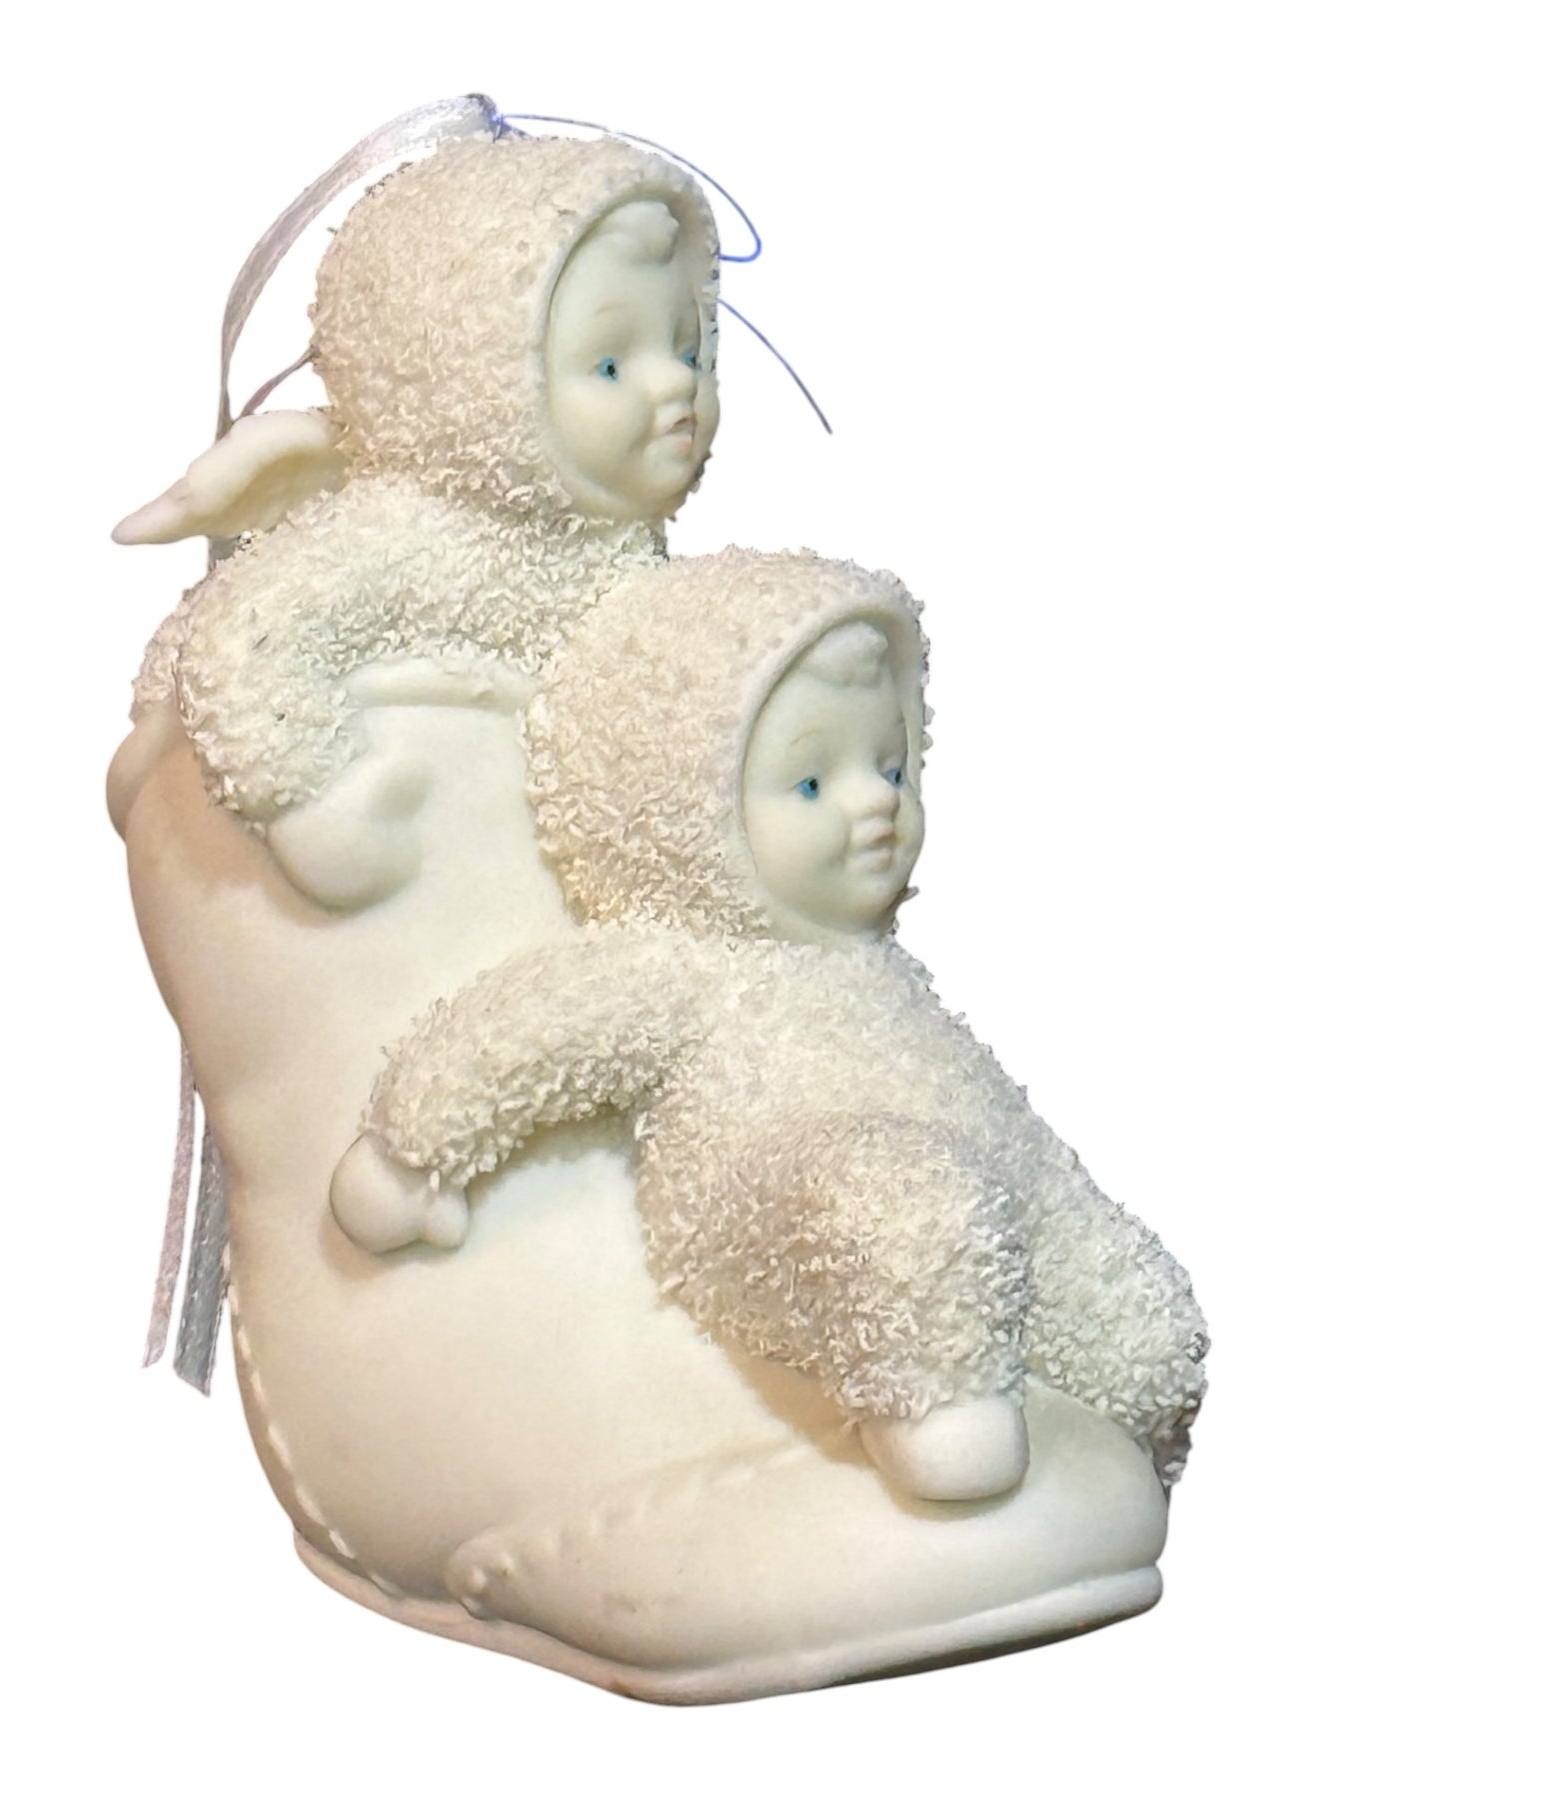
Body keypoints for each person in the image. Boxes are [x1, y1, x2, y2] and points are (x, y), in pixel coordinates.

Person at [331, 549, 1208, 1499]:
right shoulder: (680, 969)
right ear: (683, 808)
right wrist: (411, 1151)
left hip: (975, 1173)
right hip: (788, 1203)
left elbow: (1008, 1127)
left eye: (892, 766)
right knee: (904, 1204)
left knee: (1142, 1310)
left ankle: (1132, 1424)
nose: (879, 801)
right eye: (812, 784)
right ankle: (934, 1409)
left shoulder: (887, 977)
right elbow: (528, 1033)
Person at [114, 130, 721, 908]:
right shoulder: (413, 541)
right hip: (333, 902)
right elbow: (243, 644)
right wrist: (312, 811)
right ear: (470, 378)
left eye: (690, 353)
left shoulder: (626, 553)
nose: (676, 386)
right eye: (608, 364)